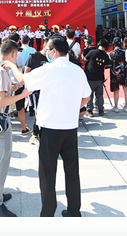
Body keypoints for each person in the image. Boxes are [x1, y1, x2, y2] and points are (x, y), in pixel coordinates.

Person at [15, 36, 92, 217]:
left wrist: (11, 66)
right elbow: (87, 96)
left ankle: (48, 213)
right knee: (72, 170)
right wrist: (72, 109)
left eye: (48, 49)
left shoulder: (49, 69)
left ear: (54, 51)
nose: (46, 52)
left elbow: (24, 80)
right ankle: (74, 210)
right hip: (70, 128)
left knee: (47, 173)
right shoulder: (77, 70)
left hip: (50, 128)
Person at [0, 40, 33, 217]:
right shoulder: (1, 71)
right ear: (13, 54)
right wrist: (23, 94)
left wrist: (11, 88)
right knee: (1, 162)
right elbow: (2, 101)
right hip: (0, 118)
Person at [83, 38, 110, 116]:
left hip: (90, 76)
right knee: (99, 94)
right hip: (100, 77)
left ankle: (90, 110)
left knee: (90, 94)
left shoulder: (92, 52)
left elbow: (85, 60)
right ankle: (100, 109)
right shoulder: (105, 56)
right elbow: (106, 65)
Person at [109, 37, 127, 113]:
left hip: (114, 73)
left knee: (116, 91)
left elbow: (109, 63)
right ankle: (126, 107)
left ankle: (116, 107)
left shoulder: (111, 53)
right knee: (126, 90)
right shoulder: (125, 52)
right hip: (124, 72)